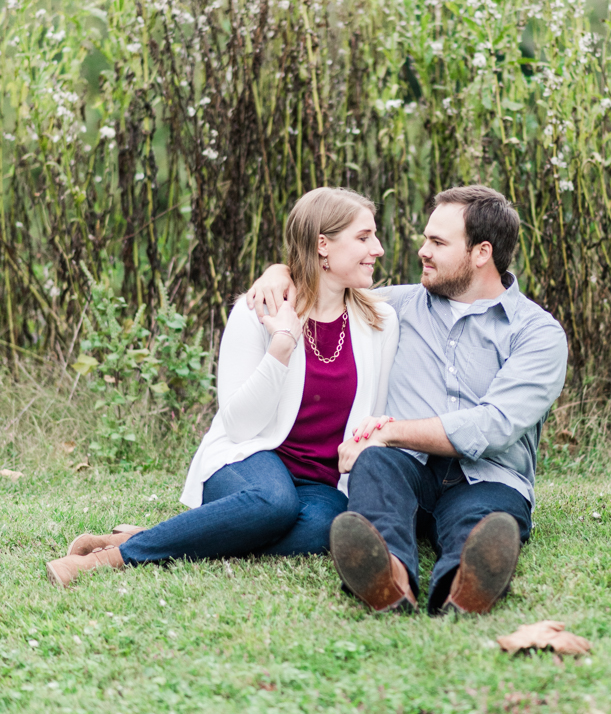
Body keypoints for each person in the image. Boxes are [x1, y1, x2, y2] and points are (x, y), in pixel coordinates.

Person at [46, 188, 398, 588]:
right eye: (364, 237)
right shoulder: (257, 312)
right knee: (274, 503)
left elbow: (373, 409)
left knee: (324, 531)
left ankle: (154, 535)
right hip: (249, 460)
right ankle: (111, 558)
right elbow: (238, 424)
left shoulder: (379, 320)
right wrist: (280, 349)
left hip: (322, 482)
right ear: (323, 245)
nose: (379, 248)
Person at [248, 185, 568, 616]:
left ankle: (466, 581)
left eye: (437, 243)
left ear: (481, 253)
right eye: (425, 239)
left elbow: (494, 427)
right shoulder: (389, 308)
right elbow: (323, 287)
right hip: (405, 468)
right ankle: (388, 574)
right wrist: (279, 272)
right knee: (375, 467)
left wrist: (388, 431)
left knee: (478, 520)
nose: (423, 251)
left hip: (487, 476)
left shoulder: (537, 334)